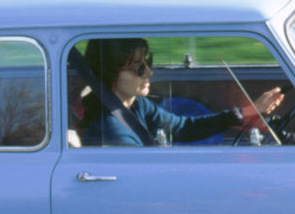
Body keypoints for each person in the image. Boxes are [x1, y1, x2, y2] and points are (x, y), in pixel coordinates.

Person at [78, 38, 284, 147]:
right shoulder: (110, 130)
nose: (149, 72)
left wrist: (248, 112)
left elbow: (183, 128)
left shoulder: (135, 105)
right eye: (139, 68)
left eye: (148, 62)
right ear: (111, 74)